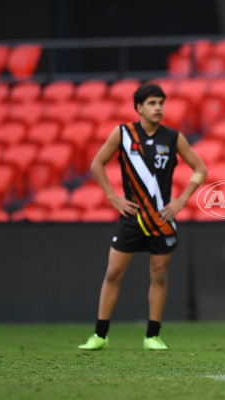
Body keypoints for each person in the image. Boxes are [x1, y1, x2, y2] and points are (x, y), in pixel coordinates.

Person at [78, 83, 207, 351]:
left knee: (159, 276)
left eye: (161, 102)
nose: (158, 107)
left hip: (161, 217)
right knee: (113, 272)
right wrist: (112, 197)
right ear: (138, 107)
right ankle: (100, 335)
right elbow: (96, 163)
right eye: (152, 103)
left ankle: (152, 336)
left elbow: (200, 169)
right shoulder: (123, 133)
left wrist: (181, 200)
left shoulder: (173, 137)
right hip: (131, 218)